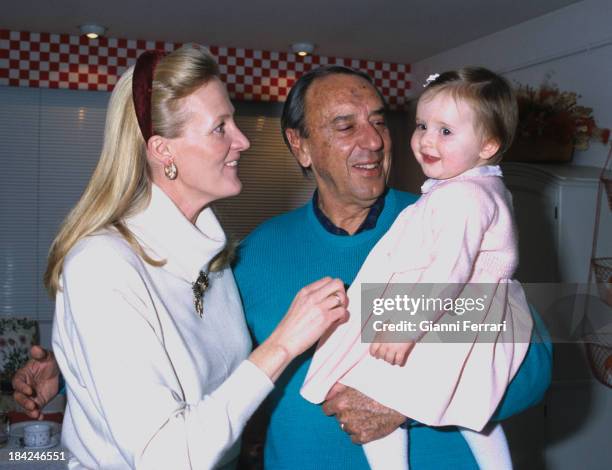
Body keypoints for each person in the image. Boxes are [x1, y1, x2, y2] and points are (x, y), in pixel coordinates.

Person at [14, 64, 553, 469]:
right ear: (300, 146)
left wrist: (405, 405)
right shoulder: (248, 255)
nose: (372, 140)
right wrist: (76, 367)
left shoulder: (445, 224)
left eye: (378, 122)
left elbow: (532, 361)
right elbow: (204, 356)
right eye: (345, 125)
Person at [22, 44, 349, 469]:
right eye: (220, 127)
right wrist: (283, 344)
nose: (244, 141)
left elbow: (199, 380)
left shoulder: (213, 260)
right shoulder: (106, 263)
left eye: (380, 120)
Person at [300, 67, 534, 470]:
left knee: (372, 387)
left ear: (488, 144)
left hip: (454, 312)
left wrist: (407, 323)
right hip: (463, 311)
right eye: (422, 125)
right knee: (473, 406)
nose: (426, 139)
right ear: (299, 144)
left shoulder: (464, 198)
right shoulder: (467, 189)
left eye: (446, 131)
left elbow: (450, 267)